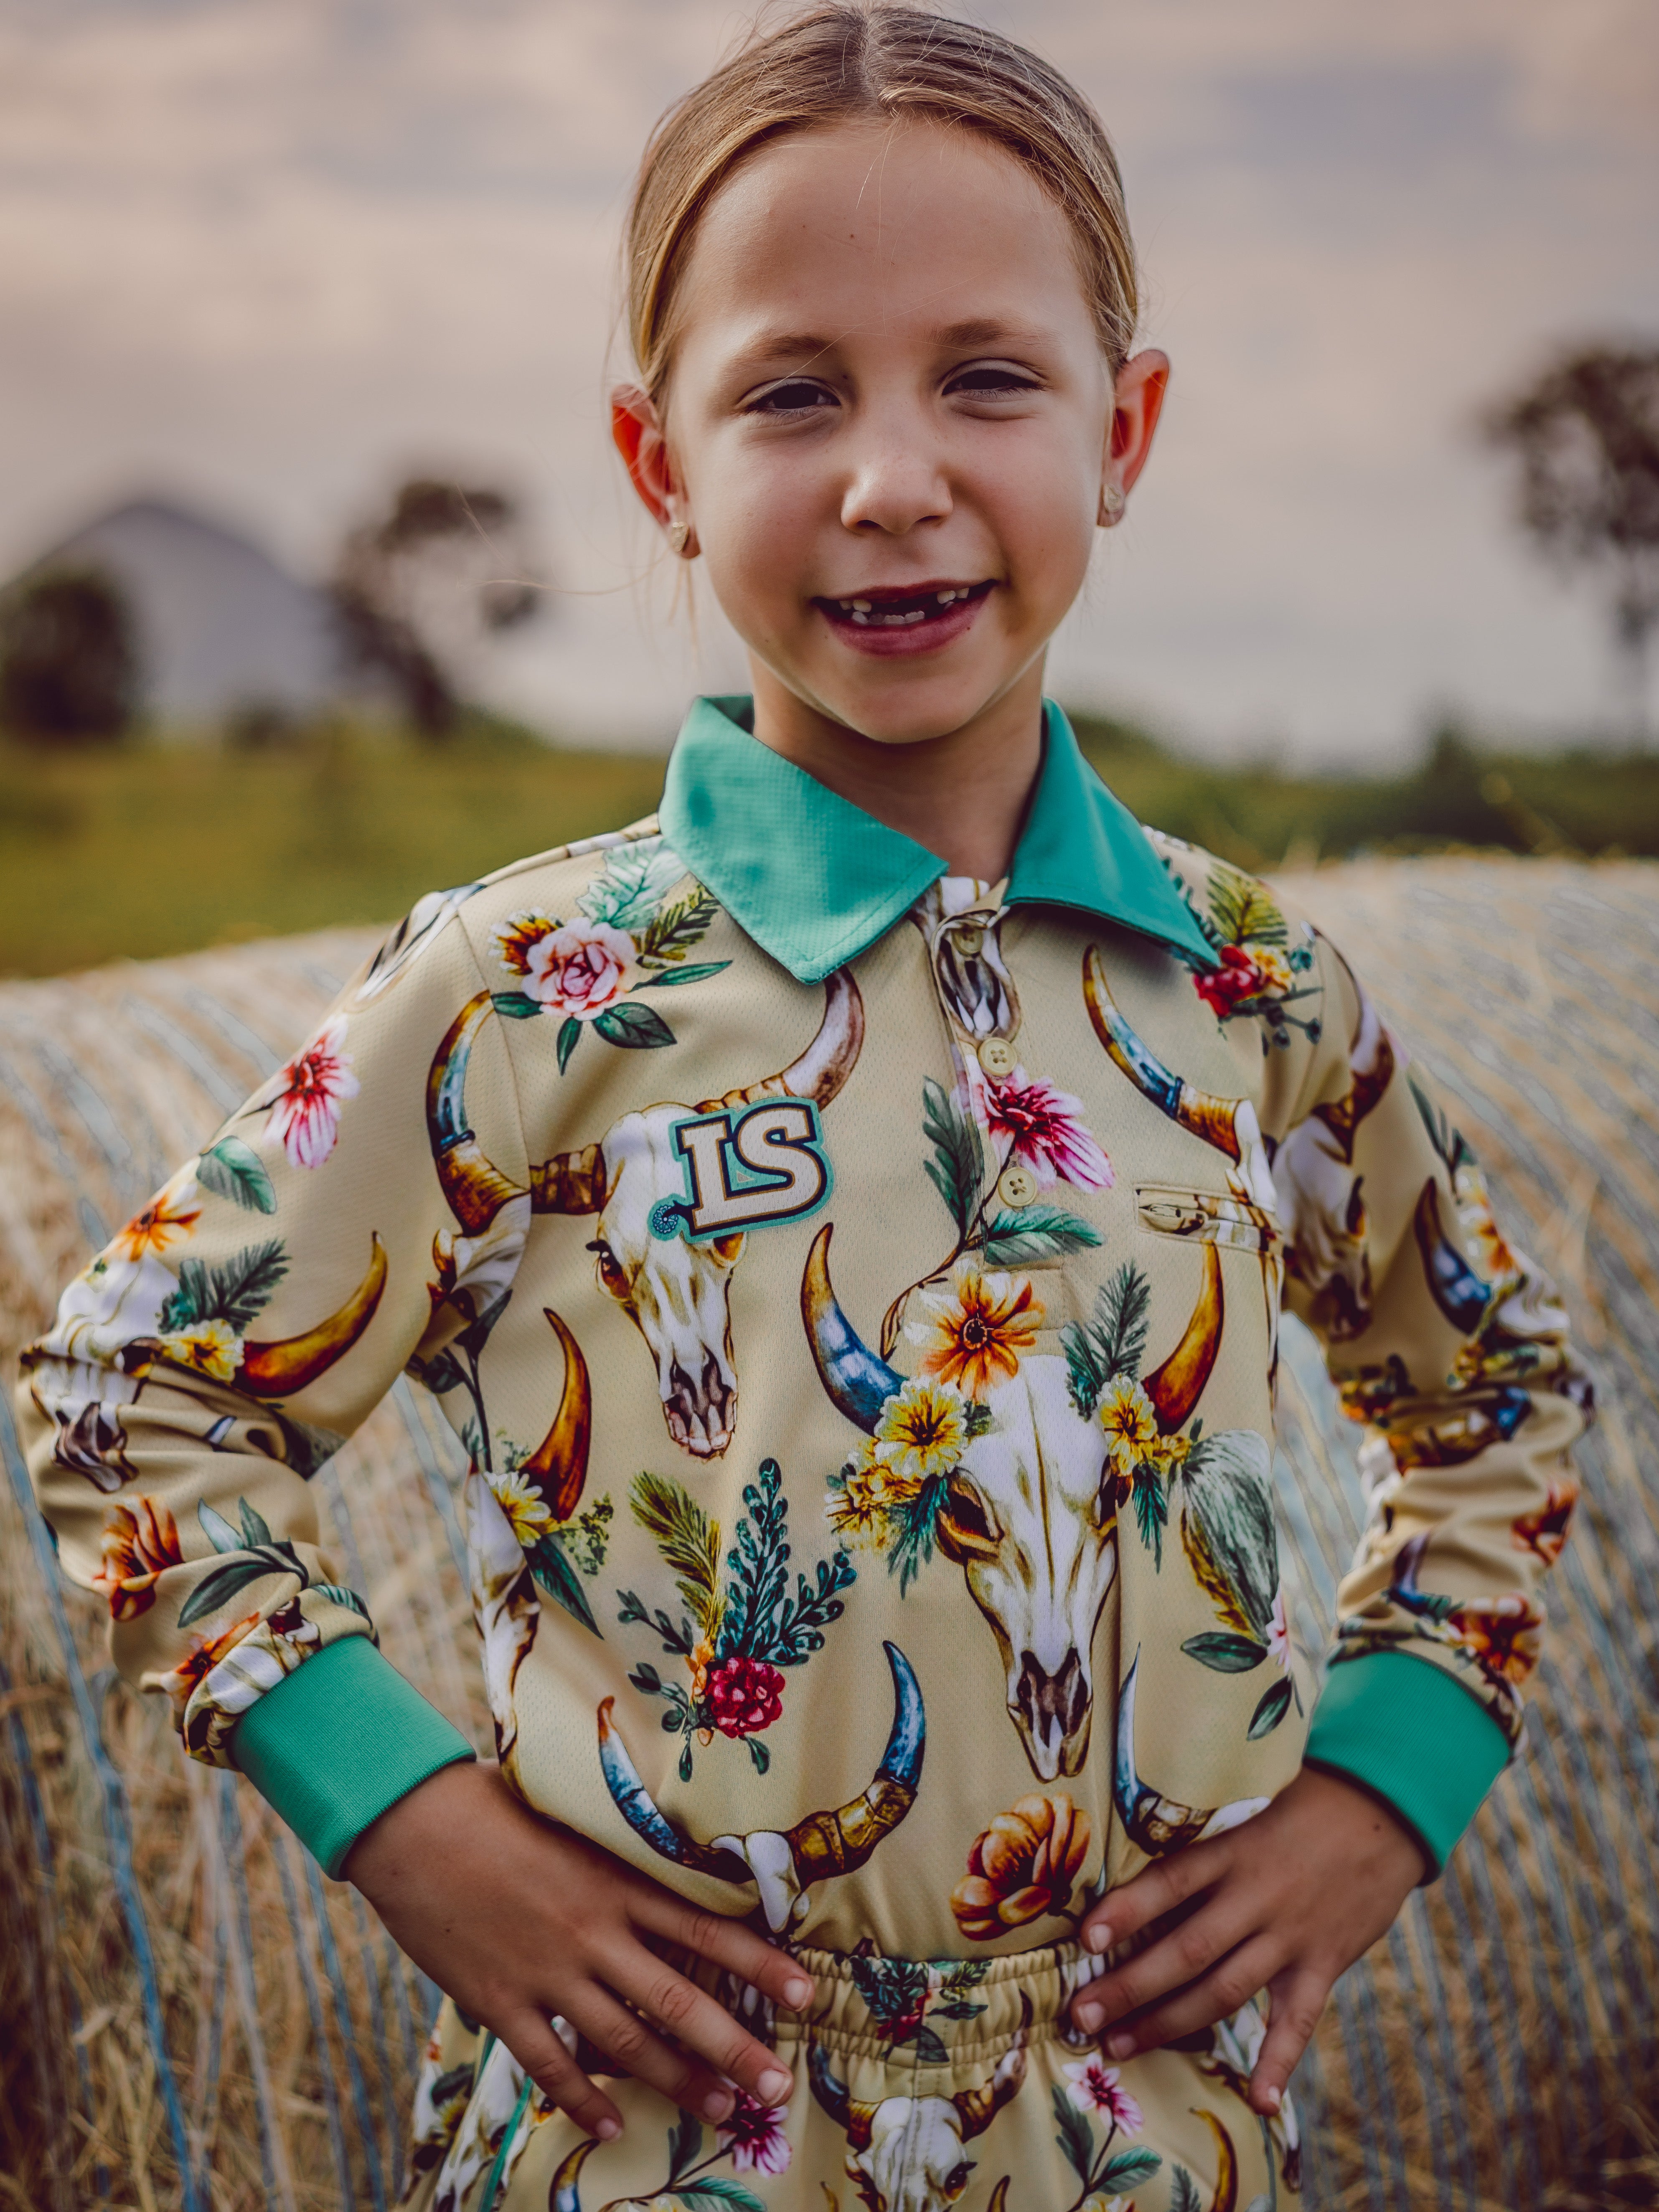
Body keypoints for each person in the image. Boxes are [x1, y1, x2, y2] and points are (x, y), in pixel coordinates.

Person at [18, 8, 1590, 2207]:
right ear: (656, 462)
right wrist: (416, 1827)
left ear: (1122, 431)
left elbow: (1499, 1395)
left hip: (1155, 2134)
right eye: (788, 392)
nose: (890, 476)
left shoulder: (1249, 990)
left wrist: (1385, 1781)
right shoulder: (533, 993)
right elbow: (124, 1394)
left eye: (986, 376)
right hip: (664, 2135)